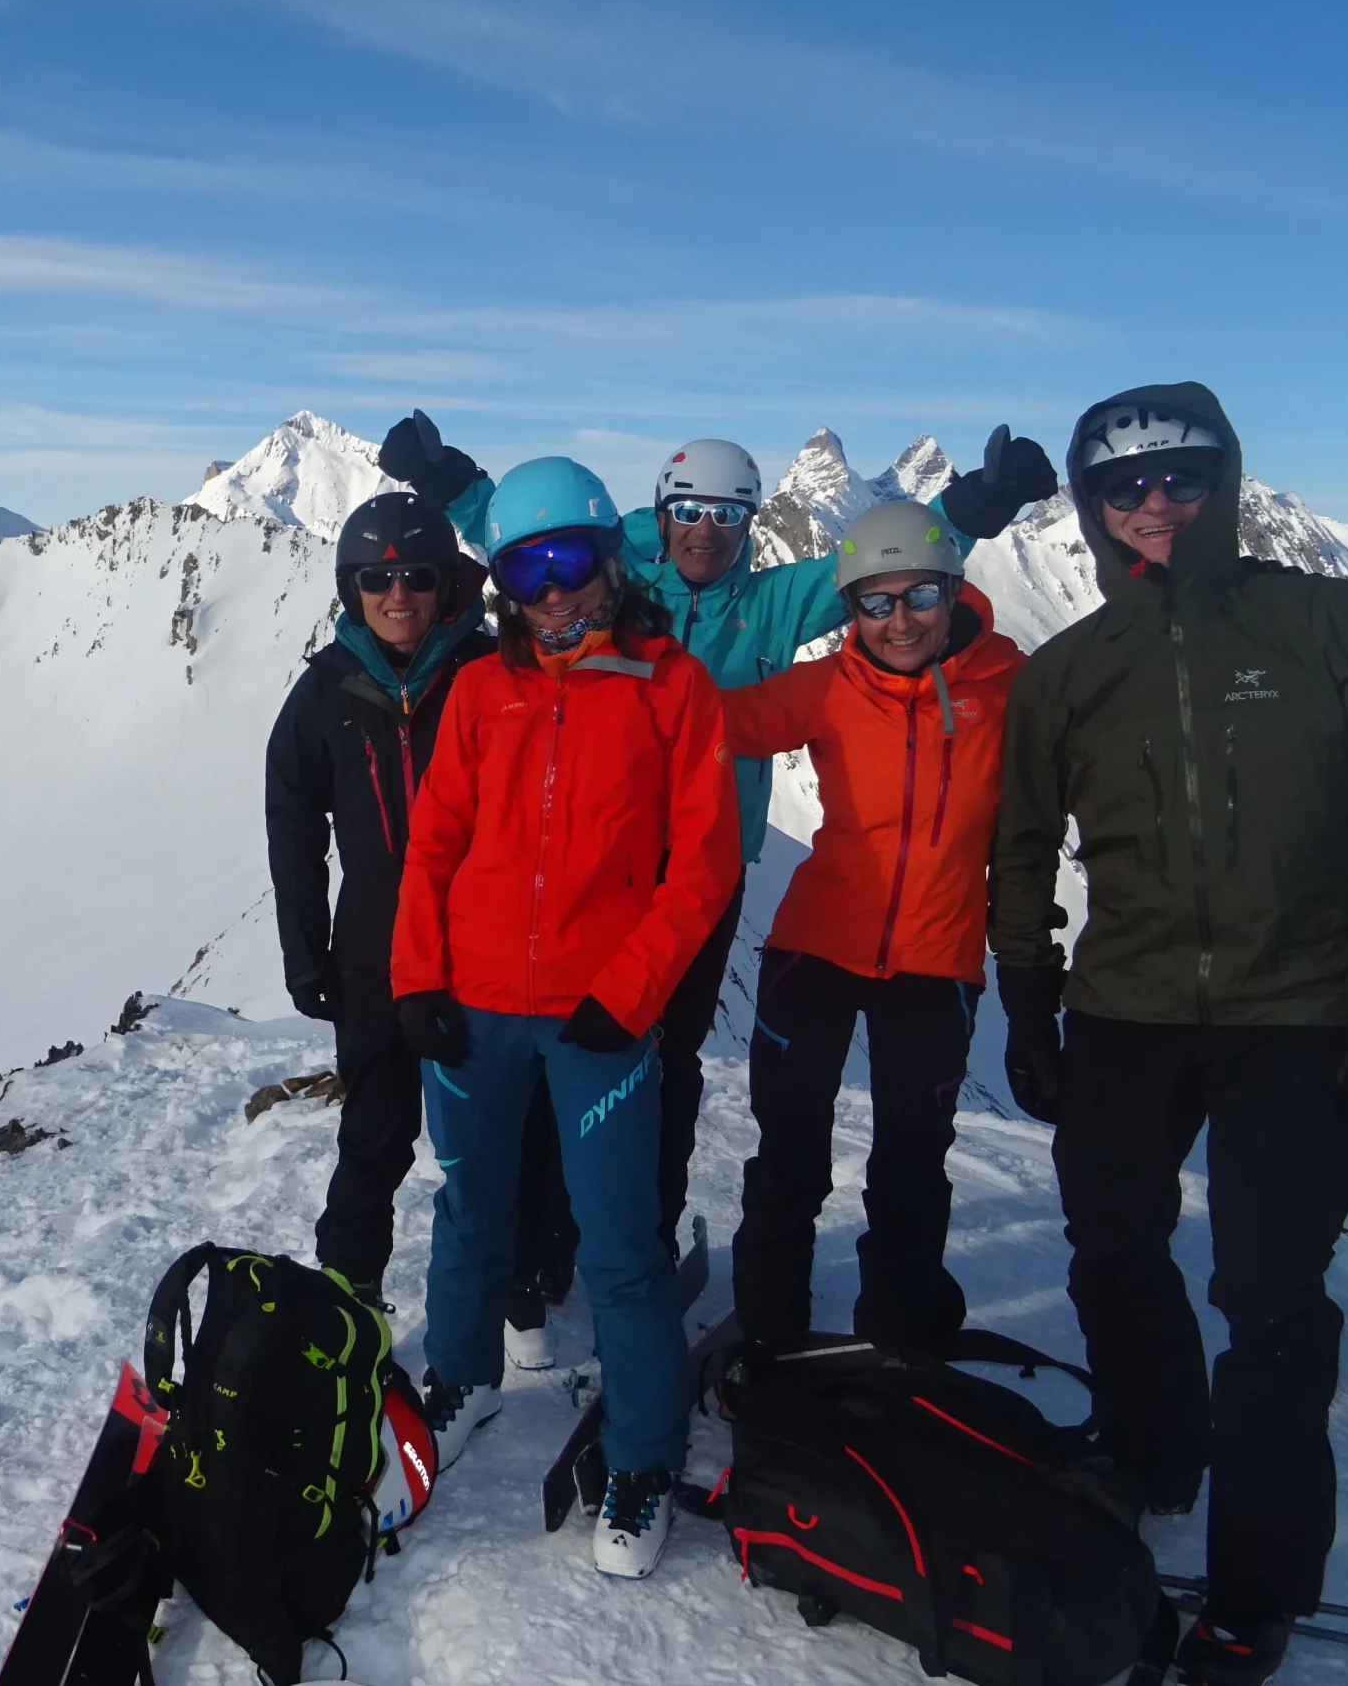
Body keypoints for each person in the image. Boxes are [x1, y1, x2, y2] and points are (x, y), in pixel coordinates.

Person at [989, 386, 1348, 1685]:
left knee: (1270, 1301)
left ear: (1222, 481)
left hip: (1294, 1009)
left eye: (1180, 480)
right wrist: (1029, 995)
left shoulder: (1327, 624)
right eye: (1126, 488)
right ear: (1092, 507)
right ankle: (1155, 1446)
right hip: (1127, 1007)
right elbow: (1021, 846)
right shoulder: (1074, 670)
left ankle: (1257, 1587)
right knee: (1113, 1244)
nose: (1154, 506)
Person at [382, 421, 1055, 1262]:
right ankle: (547, 1240)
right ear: (661, 515)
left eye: (730, 514)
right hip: (592, 868)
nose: (707, 530)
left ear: (750, 520)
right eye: (691, 510)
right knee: (566, 1051)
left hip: (703, 872)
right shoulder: (611, 565)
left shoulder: (772, 602)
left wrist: (978, 503)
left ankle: (642, 1235)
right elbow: (523, 533)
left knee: (665, 1061)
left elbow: (887, 575)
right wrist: (446, 474)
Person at [391, 456, 741, 1579]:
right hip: (477, 1002)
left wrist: (629, 991)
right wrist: (416, 978)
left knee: (621, 1247)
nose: (549, 591)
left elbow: (703, 862)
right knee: (469, 1209)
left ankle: (641, 1458)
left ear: (607, 559)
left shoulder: (668, 686)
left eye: (566, 562)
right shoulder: (482, 690)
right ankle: (462, 1378)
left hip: (599, 1014)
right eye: (523, 569)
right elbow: (434, 836)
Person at [715, 497, 1027, 1356]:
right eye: (875, 602)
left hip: (936, 959)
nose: (899, 622)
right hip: (812, 947)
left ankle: (900, 1330)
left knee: (911, 1166)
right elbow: (713, 725)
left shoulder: (1010, 687)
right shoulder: (828, 686)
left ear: (954, 588)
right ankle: (768, 1335)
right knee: (789, 1158)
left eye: (920, 596)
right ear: (849, 606)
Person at [264, 489, 574, 1340]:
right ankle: (346, 1289)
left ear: (447, 584)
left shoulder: (493, 670)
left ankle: (525, 1271)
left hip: (486, 948)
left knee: (508, 1124)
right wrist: (306, 952)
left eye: (416, 575)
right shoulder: (325, 692)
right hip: (373, 953)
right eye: (376, 577)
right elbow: (292, 828)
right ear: (349, 586)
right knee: (375, 1129)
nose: (396, 594)